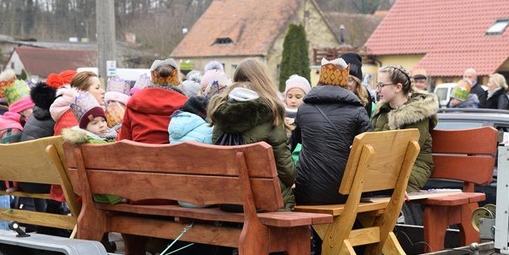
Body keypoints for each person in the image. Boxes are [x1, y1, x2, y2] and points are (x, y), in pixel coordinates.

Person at [209, 58, 295, 209]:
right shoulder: (271, 113)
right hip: (263, 202)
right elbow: (287, 172)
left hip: (227, 199)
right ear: (264, 80)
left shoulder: (219, 112)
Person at [292, 57, 371, 205]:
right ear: (345, 84)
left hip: (307, 191)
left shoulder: (303, 109)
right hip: (346, 193)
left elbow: (290, 144)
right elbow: (372, 149)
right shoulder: (358, 110)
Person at [371, 64, 438, 192]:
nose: (377, 90)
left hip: (411, 170)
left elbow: (406, 151)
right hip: (386, 168)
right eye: (377, 85)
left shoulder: (417, 113)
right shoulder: (382, 112)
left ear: (398, 87)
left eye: (381, 85)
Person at [119, 58, 188, 144]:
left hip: (139, 155)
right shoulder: (186, 104)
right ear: (176, 77)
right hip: (172, 156)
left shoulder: (135, 101)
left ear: (152, 76)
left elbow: (123, 140)